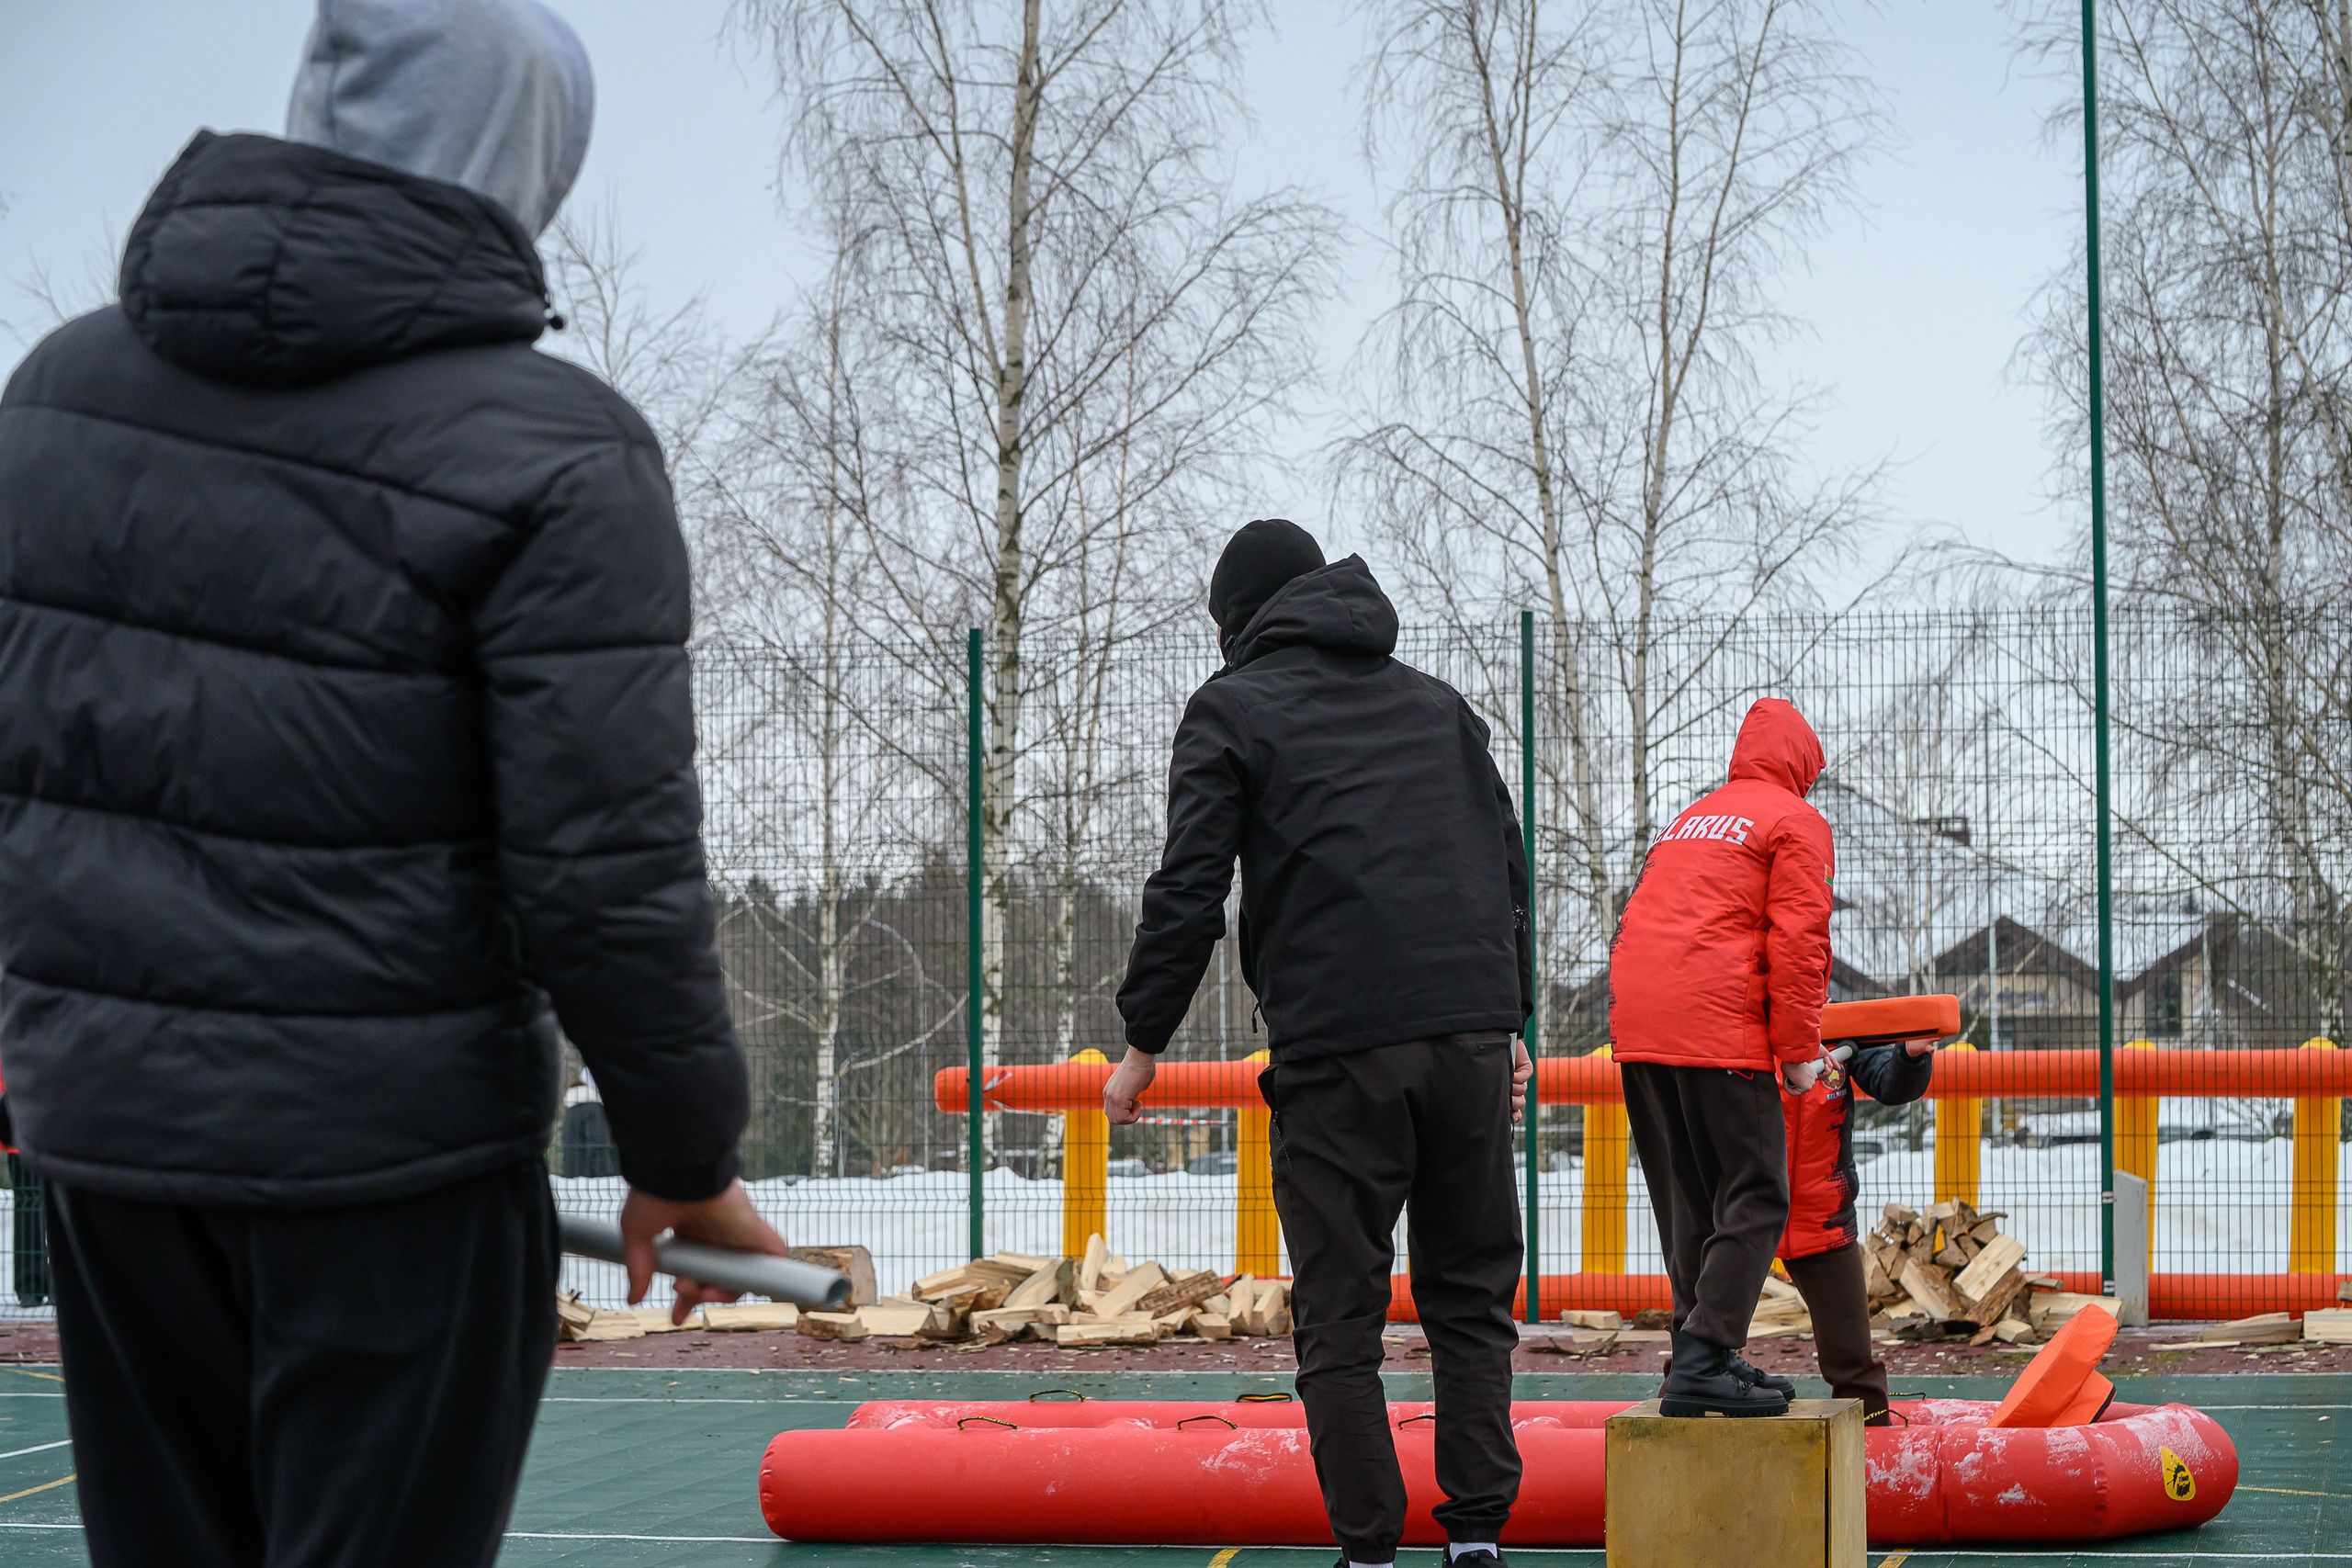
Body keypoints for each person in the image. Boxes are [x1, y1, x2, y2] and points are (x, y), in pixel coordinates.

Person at [0, 3, 781, 1563]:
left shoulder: (56, 395)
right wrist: (684, 1160)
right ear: (528, 159)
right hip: (392, 1163)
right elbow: (603, 870)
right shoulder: (559, 453)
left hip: (114, 1147)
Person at [1108, 521, 1534, 1568]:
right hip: (1468, 1036)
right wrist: (1510, 1019)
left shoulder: (1231, 706)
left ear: (1236, 621)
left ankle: (1369, 1551)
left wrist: (1143, 1038)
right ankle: (1477, 1540)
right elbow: (1505, 861)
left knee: (1341, 1314)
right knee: (1471, 1300)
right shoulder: (1438, 705)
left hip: (1340, 1046)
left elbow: (1190, 887)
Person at [1607, 697, 1835, 1417]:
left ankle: (1695, 1354)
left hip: (1641, 1024)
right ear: (1803, 764)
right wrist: (1798, 1050)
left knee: (1690, 1198)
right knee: (1757, 1189)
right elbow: (1799, 940)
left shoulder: (1690, 818)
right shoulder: (1794, 820)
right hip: (1717, 1022)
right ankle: (1705, 1357)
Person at [1780, 1037, 1936, 1425]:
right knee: (1701, 1348)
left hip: (1825, 1215)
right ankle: (1669, 1430)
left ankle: (1872, 1443)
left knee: (1854, 1365)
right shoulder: (1739, 1021)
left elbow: (1889, 1082)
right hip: (1741, 1215)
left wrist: (1909, 1056)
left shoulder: (1840, 1024)